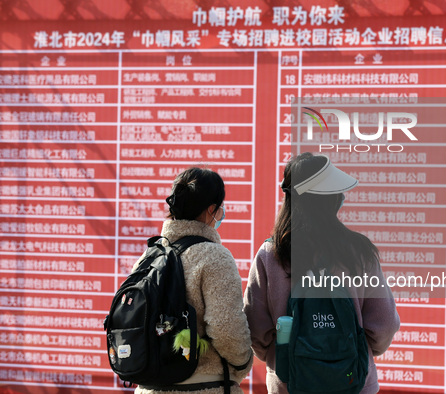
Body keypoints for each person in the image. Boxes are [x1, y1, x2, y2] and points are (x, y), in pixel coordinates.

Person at [244, 153, 400, 394]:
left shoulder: (270, 254)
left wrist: (283, 356)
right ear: (333, 198)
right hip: (354, 382)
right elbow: (384, 325)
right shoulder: (359, 251)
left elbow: (256, 329)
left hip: (289, 384)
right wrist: (352, 350)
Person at [134, 167, 253, 394]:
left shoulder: (148, 257)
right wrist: (243, 361)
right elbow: (226, 329)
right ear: (211, 210)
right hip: (203, 386)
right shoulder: (215, 256)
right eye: (219, 209)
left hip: (148, 387)